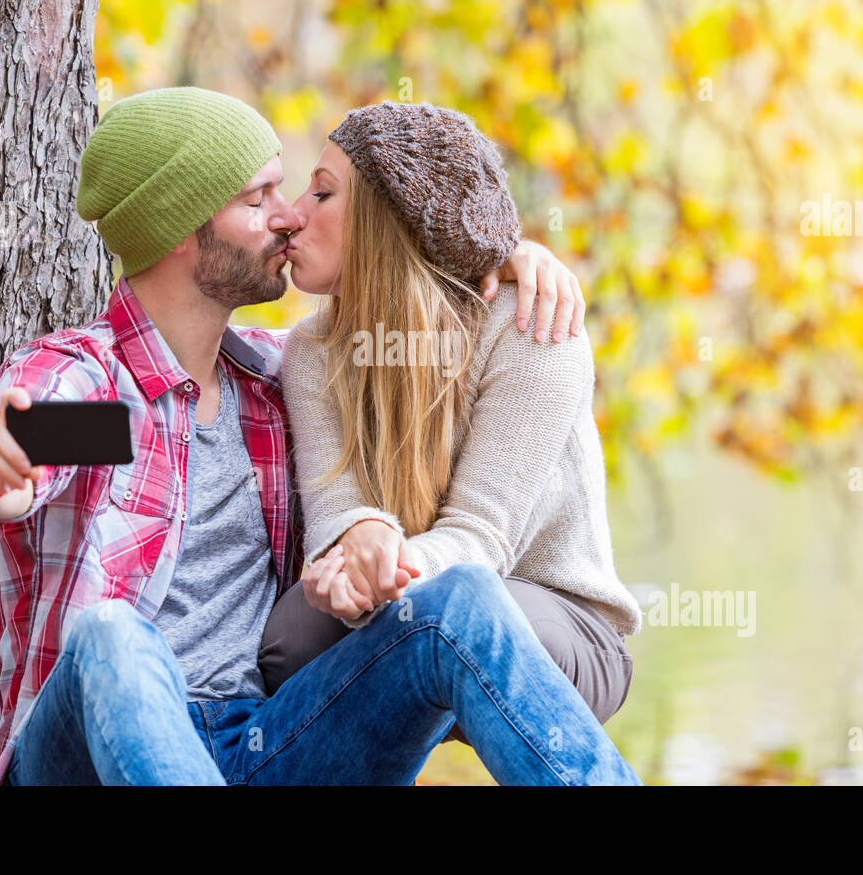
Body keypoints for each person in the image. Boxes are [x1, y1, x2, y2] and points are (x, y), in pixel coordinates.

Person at [0, 86, 641, 785]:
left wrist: (496, 252)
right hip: (91, 747)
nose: (288, 218)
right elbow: (33, 448)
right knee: (110, 634)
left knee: (456, 602)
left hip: (263, 744)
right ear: (183, 229)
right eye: (258, 200)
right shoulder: (108, 396)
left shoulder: (275, 382)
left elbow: (410, 326)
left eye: (296, 191)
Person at [260, 101, 643, 740]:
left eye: (323, 193)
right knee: (293, 637)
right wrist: (351, 555)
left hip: (557, 622)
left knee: (458, 614)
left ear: (392, 221)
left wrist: (383, 572)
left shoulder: (532, 329)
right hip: (411, 600)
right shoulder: (310, 350)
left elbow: (480, 540)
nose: (294, 214)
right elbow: (339, 512)